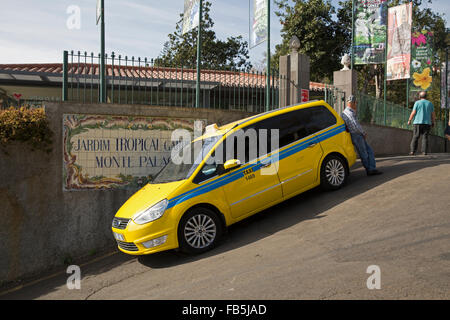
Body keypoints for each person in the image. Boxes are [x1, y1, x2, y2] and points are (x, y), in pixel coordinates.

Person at [341, 95, 382, 176]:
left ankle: (370, 168)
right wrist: (363, 133)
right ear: (352, 103)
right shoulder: (350, 113)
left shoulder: (344, 113)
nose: (356, 105)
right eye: (356, 103)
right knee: (365, 152)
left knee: (366, 151)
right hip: (357, 135)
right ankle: (370, 169)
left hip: (353, 135)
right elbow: (355, 125)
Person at [407, 91, 436, 155]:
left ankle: (412, 151)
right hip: (427, 123)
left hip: (417, 122)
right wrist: (433, 122)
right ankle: (424, 151)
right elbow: (433, 114)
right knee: (425, 137)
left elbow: (413, 112)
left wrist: (409, 120)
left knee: (415, 136)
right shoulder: (430, 103)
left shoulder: (417, 103)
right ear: (426, 96)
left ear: (419, 97)